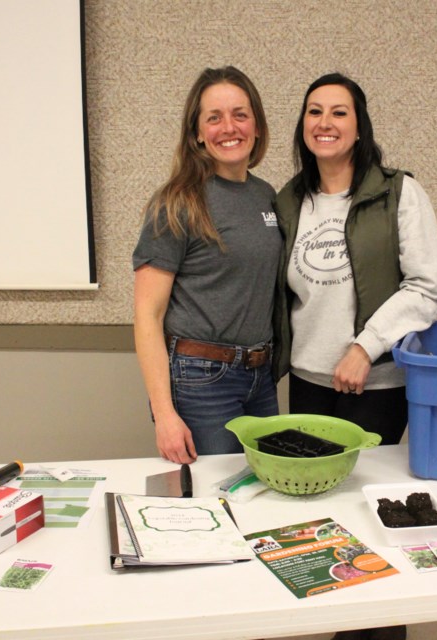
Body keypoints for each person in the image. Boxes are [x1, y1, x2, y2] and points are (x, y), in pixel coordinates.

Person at [274, 73, 437, 454]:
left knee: (360, 495)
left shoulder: (399, 193)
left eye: (339, 112)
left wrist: (364, 348)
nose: (325, 123)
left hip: (375, 384)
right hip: (307, 383)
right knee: (312, 491)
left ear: (359, 128)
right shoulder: (289, 201)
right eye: (314, 112)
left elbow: (427, 289)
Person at [133, 66, 281, 464]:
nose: (228, 127)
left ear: (257, 125)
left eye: (240, 114)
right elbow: (148, 315)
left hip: (260, 377)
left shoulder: (267, 196)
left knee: (268, 493)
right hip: (202, 379)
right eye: (213, 118)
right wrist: (163, 415)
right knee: (218, 498)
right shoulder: (177, 201)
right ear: (197, 132)